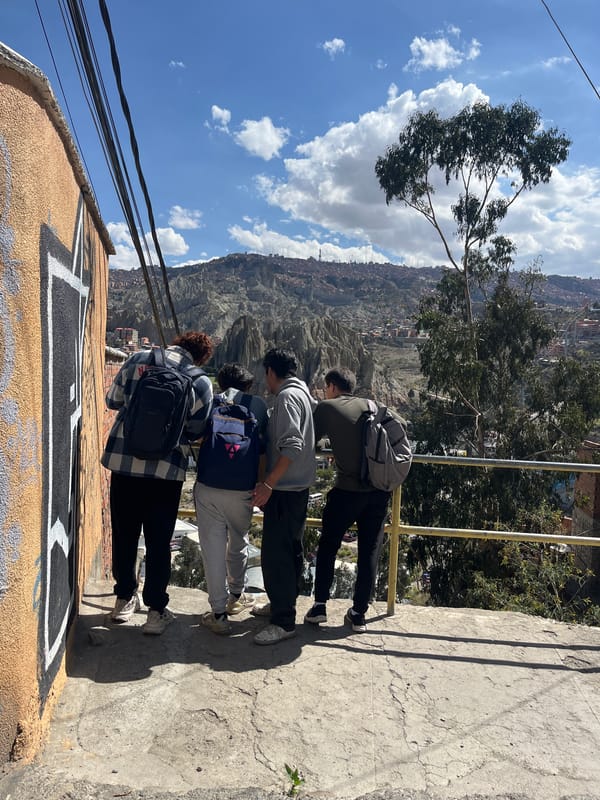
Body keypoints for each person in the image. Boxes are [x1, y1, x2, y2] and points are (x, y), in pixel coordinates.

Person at [101, 331, 213, 635]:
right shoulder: (200, 381)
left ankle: (124, 599)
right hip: (166, 473)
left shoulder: (138, 360)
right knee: (159, 542)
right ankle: (155, 610)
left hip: (124, 464)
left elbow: (113, 401)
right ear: (202, 357)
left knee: (124, 534)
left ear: (177, 342)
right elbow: (197, 430)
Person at [305, 367, 391, 633]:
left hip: (346, 491)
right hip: (378, 492)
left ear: (331, 386)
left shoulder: (327, 407)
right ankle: (358, 614)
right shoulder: (373, 406)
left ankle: (320, 606)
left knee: (329, 545)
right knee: (369, 551)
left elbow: (311, 441)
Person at [194, 363, 268, 635]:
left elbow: (197, 434)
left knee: (212, 548)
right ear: (248, 384)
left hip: (209, 485)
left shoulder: (211, 401)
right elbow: (263, 449)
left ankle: (218, 613)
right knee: (239, 539)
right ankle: (237, 596)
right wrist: (259, 484)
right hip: (242, 488)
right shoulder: (257, 405)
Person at [251, 348, 316, 645]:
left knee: (277, 555)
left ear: (270, 372)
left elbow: (292, 446)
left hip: (285, 490)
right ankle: (281, 604)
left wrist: (268, 484)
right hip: (296, 489)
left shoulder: (287, 398)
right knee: (289, 551)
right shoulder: (303, 394)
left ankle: (283, 621)